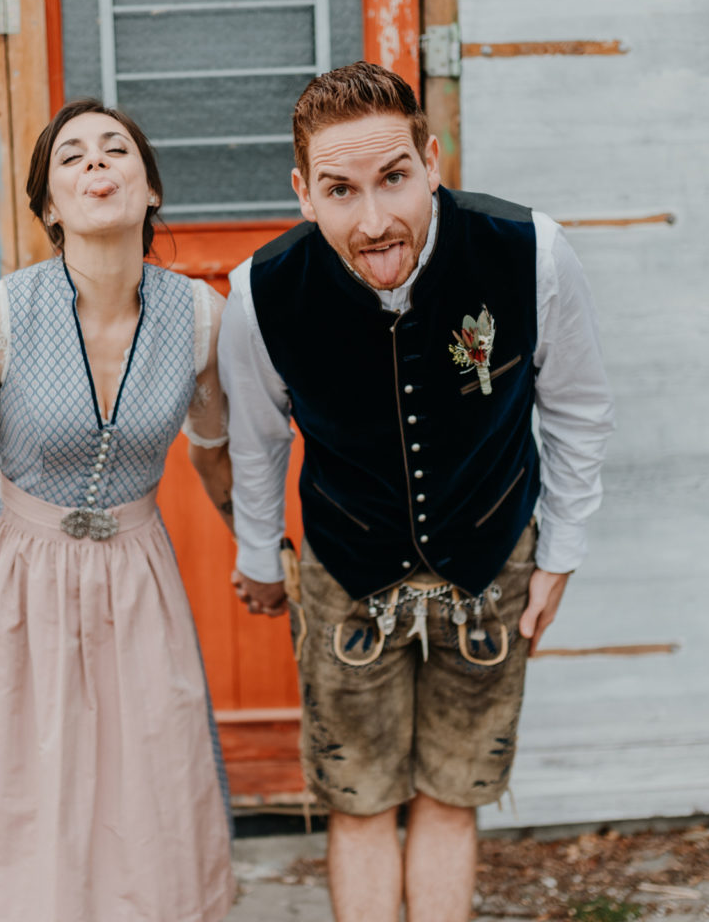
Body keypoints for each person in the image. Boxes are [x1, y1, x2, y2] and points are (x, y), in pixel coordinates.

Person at [218, 62, 614, 922]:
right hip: (344, 569)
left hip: (492, 554)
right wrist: (256, 552)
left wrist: (562, 554)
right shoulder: (260, 292)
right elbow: (255, 441)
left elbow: (577, 409)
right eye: (340, 189)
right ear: (303, 192)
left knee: (451, 790)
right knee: (358, 800)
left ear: (431, 160)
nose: (374, 218)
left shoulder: (529, 250)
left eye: (394, 177)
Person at [0, 98, 237, 922]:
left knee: (151, 784)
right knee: (23, 796)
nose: (96, 163)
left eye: (115, 150)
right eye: (71, 157)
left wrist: (268, 556)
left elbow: (214, 453)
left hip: (138, 576)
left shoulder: (202, 318)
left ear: (151, 190)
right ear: (48, 207)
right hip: (14, 573)